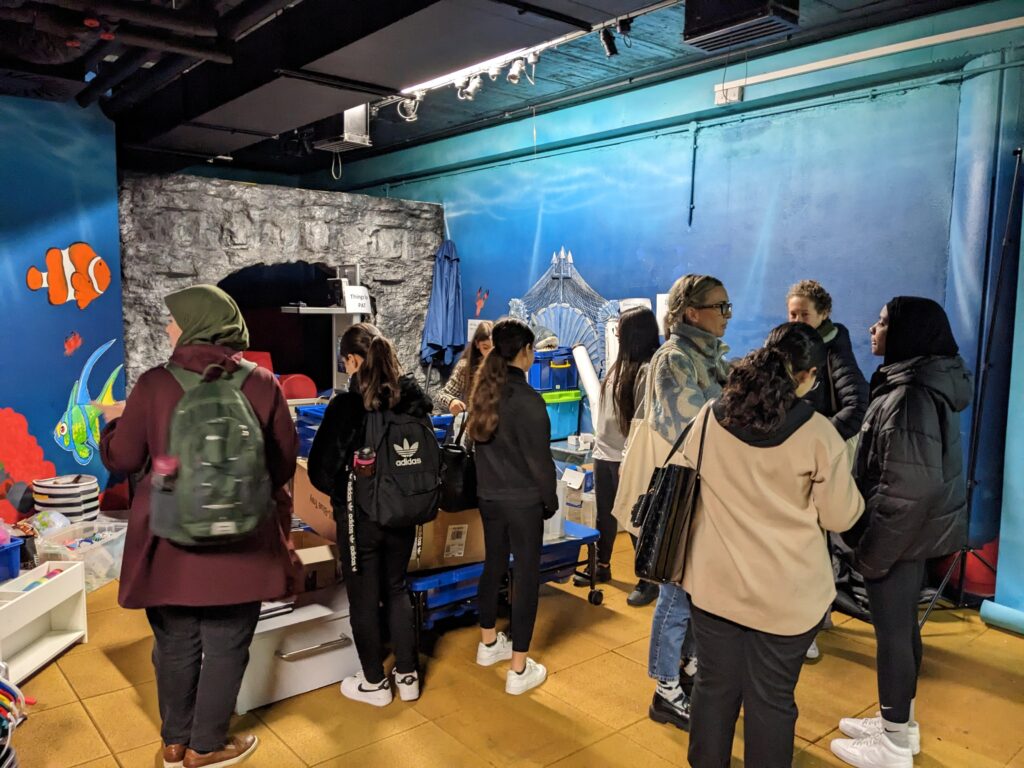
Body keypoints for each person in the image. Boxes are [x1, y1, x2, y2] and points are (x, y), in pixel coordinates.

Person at [98, 285, 299, 768]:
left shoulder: (153, 384)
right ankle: (206, 746)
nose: (170, 328)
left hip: (169, 543)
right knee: (228, 642)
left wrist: (111, 428)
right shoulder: (263, 382)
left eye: (175, 321)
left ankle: (173, 743)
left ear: (194, 325)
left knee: (174, 641)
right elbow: (285, 460)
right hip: (244, 542)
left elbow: (124, 457)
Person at [682, 322, 865, 768]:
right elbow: (842, 517)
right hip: (786, 599)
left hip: (713, 586)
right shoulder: (819, 434)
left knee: (713, 689)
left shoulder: (710, 415)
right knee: (771, 702)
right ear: (806, 377)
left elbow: (689, 479)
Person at [831, 298, 971, 768]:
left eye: (885, 322)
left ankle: (891, 747)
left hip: (898, 536)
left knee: (892, 635)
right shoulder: (917, 383)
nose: (873, 328)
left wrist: (870, 551)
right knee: (903, 630)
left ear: (908, 332)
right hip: (914, 535)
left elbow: (907, 489)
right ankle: (901, 726)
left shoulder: (908, 395)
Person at [307, 323, 432, 707]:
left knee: (363, 597)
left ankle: (374, 683)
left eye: (345, 360)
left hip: (360, 518)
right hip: (404, 513)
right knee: (396, 588)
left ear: (353, 359)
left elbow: (319, 470)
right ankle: (408, 676)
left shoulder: (346, 406)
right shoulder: (413, 400)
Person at [637, 274, 731, 731]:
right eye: (720, 307)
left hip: (711, 495)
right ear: (692, 312)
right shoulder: (674, 360)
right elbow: (695, 428)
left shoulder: (712, 359)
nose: (727, 316)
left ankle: (687, 668)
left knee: (697, 593)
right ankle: (664, 690)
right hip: (683, 497)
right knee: (675, 597)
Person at [468, 318, 558, 695]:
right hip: (523, 503)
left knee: (492, 566)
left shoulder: (483, 394)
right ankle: (518, 669)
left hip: (488, 498)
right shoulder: (529, 401)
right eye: (532, 350)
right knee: (525, 578)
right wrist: (550, 503)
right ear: (524, 353)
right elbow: (541, 464)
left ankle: (489, 644)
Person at [786, 279, 869, 660]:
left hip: (814, 464)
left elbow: (856, 404)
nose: (798, 319)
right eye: (792, 313)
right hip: (801, 463)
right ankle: (818, 617)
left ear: (824, 314)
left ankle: (810, 624)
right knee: (811, 544)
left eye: (804, 314)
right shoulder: (796, 345)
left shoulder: (834, 350)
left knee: (810, 545)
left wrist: (818, 443)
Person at [574, 306, 660, 607]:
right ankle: (601, 565)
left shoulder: (647, 370)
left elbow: (640, 418)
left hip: (627, 457)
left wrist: (628, 458)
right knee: (605, 513)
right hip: (605, 452)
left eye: (620, 329)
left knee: (634, 518)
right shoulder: (620, 365)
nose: (617, 334)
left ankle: (649, 579)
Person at [435, 320, 493, 415]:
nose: (490, 353)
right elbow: (442, 395)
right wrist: (451, 401)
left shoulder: (505, 366)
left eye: (493, 348)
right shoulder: (465, 367)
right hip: (474, 422)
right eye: (485, 348)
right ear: (477, 344)